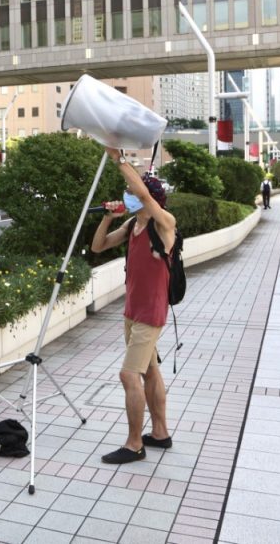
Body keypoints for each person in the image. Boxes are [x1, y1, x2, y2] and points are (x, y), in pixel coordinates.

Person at [91, 146, 175, 464]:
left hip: (150, 315)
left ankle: (134, 443)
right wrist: (110, 218)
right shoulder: (132, 227)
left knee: (128, 376)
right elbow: (98, 246)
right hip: (131, 312)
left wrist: (119, 159)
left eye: (131, 192)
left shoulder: (164, 223)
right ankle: (161, 432)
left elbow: (143, 190)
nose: (128, 195)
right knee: (149, 372)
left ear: (145, 197)